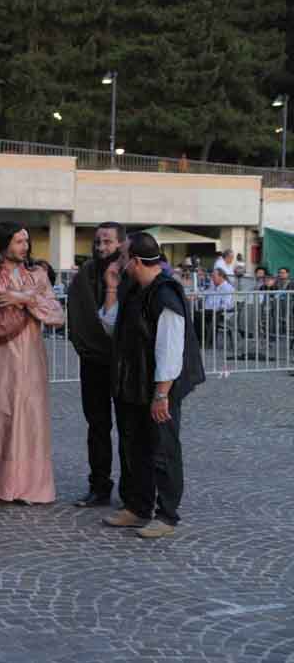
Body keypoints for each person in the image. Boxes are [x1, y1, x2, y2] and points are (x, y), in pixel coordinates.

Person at [100, 232, 205, 538]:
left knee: (163, 449)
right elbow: (110, 324)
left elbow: (170, 349)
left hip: (160, 386)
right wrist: (111, 287)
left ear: (134, 260)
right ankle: (137, 506)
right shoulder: (133, 288)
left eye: (122, 256)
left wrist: (162, 394)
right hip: (132, 383)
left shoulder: (165, 293)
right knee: (133, 447)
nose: (117, 262)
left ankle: (167, 515)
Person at [0, 222, 64, 505]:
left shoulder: (37, 276)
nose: (25, 247)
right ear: (4, 244)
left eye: (26, 241)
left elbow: (56, 315)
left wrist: (22, 299)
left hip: (30, 358)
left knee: (29, 418)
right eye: (19, 241)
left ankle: (30, 486)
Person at [66, 222, 131, 508]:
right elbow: (78, 315)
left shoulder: (130, 272)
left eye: (107, 242)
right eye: (97, 242)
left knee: (129, 427)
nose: (101, 247)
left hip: (125, 363)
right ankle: (99, 485)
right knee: (97, 426)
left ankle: (132, 491)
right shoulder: (86, 273)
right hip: (93, 361)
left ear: (120, 244)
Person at [194, 268, 235, 344]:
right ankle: (201, 340)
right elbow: (204, 293)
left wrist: (213, 310)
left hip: (219, 313)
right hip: (209, 312)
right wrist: (195, 296)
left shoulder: (227, 288)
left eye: (214, 277)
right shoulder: (213, 286)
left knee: (196, 315)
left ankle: (203, 341)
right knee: (194, 314)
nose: (212, 279)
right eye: (212, 276)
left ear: (221, 276)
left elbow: (226, 305)